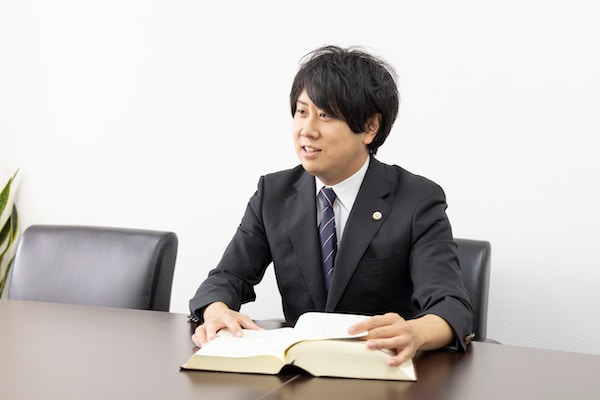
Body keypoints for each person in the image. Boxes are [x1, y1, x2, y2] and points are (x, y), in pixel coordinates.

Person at [190, 45, 474, 366]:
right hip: (297, 372)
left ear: (370, 127)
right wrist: (216, 310)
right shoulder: (273, 193)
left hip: (380, 369)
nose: (307, 130)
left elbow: (451, 305)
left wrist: (415, 332)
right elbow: (227, 277)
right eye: (302, 112)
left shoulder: (417, 199)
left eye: (325, 115)